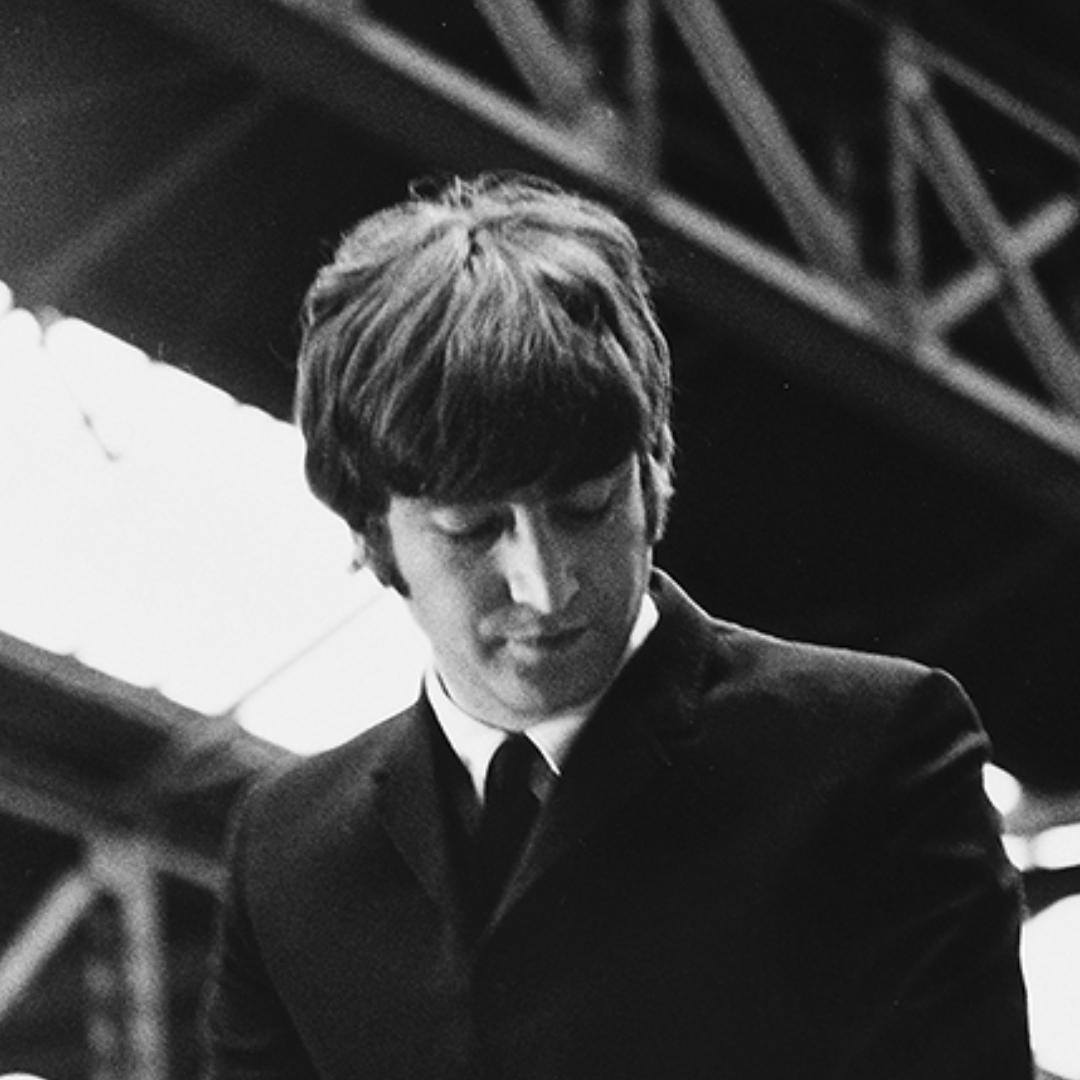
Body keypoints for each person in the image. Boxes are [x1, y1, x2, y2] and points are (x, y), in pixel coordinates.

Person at [202, 173, 1032, 1079]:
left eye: (587, 506)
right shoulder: (285, 853)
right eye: (473, 529)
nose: (545, 584)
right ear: (372, 533)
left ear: (651, 474)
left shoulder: (871, 755)